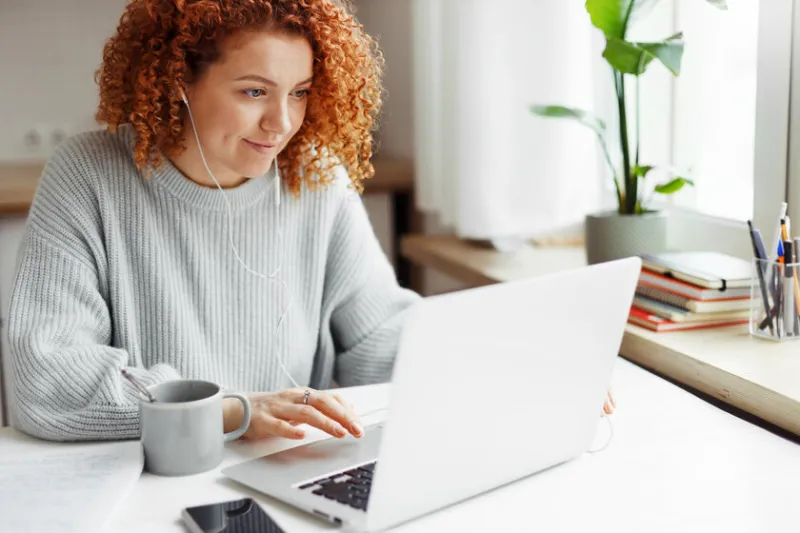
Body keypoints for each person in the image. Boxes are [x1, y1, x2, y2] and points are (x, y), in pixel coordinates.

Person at [7, 0, 421, 442]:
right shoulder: (88, 174)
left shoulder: (316, 178)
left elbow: (378, 339)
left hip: (287, 465)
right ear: (180, 78)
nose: (281, 123)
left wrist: (466, 363)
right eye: (254, 92)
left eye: (299, 92)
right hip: (153, 477)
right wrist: (228, 412)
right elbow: (48, 378)